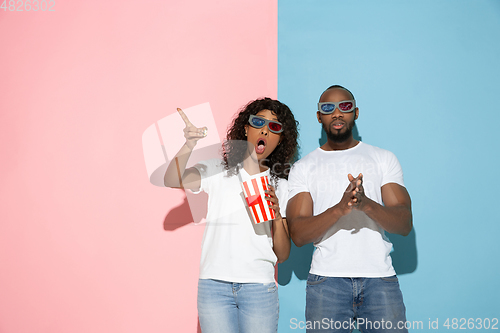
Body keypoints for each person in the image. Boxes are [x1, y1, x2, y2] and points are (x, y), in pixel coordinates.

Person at [164, 98, 299, 333]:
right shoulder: (218, 170)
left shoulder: (281, 186)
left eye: (274, 127)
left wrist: (277, 215)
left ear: (280, 139)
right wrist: (189, 144)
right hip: (214, 286)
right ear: (246, 128)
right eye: (258, 122)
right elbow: (171, 180)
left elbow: (283, 255)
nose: (265, 130)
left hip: (259, 287)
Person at [286, 85, 412, 333]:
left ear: (356, 112)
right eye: (328, 108)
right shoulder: (303, 167)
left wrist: (366, 205)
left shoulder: (383, 158)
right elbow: (298, 235)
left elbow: (404, 223)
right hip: (326, 282)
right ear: (319, 115)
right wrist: (340, 209)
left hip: (380, 279)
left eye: (345, 106)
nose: (337, 113)